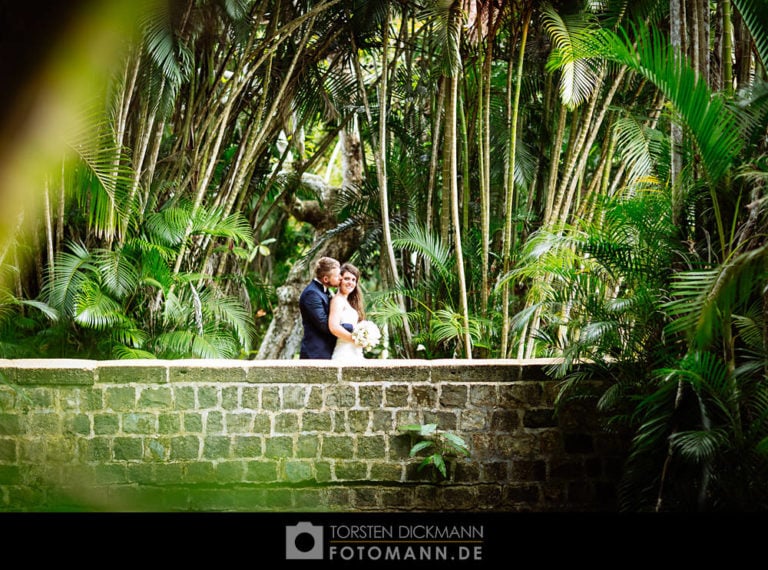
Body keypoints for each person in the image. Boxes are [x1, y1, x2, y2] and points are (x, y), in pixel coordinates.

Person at [299, 256, 343, 359]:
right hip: (315, 352)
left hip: (326, 350)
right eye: (337, 276)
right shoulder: (311, 294)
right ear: (326, 279)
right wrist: (347, 328)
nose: (340, 278)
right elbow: (323, 323)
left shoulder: (325, 290)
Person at [329, 262, 366, 362]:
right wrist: (356, 339)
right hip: (344, 354)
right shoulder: (337, 300)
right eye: (347, 279)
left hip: (354, 351)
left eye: (353, 280)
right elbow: (334, 327)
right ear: (340, 280)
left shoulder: (348, 302)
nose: (350, 282)